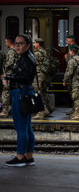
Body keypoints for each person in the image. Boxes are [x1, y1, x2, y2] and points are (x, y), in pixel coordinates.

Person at [3, 34, 36, 167]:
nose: (17, 46)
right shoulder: (29, 57)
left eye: (20, 43)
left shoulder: (26, 58)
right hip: (25, 92)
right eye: (16, 43)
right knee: (27, 127)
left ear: (27, 45)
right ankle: (29, 156)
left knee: (21, 127)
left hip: (21, 93)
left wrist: (7, 77)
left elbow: (25, 76)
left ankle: (20, 156)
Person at [63, 45, 79, 120]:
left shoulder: (72, 60)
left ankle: (78, 114)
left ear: (72, 52)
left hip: (76, 82)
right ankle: (77, 112)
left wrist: (65, 80)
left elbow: (69, 72)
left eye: (69, 51)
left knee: (76, 98)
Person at [32, 38, 52, 120]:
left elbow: (32, 63)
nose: (34, 44)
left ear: (38, 44)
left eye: (35, 43)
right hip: (44, 75)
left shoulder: (37, 53)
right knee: (42, 92)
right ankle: (47, 109)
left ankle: (41, 111)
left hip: (38, 75)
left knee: (37, 92)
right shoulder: (45, 51)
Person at [0, 37, 19, 118]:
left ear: (9, 42)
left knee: (6, 91)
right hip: (14, 75)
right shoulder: (16, 50)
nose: (5, 43)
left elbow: (10, 62)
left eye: (5, 42)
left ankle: (5, 111)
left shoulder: (11, 51)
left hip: (9, 75)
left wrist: (5, 69)